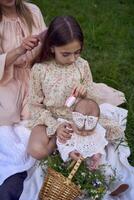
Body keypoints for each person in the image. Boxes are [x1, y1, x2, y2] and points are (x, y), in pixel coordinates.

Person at [27, 15, 134, 200]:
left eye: (77, 52)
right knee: (36, 150)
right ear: (51, 47)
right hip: (52, 118)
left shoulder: (82, 65)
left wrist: (85, 93)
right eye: (66, 54)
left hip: (79, 117)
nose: (72, 59)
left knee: (101, 143)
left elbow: (93, 99)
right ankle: (62, 147)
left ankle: (101, 182)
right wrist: (56, 127)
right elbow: (35, 105)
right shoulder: (40, 70)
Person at [0, 0, 46, 199]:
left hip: (35, 74)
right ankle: (16, 174)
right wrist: (19, 50)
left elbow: (46, 50)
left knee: (53, 110)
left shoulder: (32, 11)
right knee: (7, 118)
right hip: (6, 79)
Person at [57, 98, 129, 196]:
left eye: (88, 131)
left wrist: (97, 155)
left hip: (93, 161)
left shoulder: (97, 130)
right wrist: (70, 152)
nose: (84, 133)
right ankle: (92, 190)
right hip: (74, 162)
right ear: (73, 118)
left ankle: (113, 186)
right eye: (80, 130)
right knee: (80, 177)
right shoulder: (68, 128)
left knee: (105, 169)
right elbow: (61, 143)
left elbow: (98, 143)